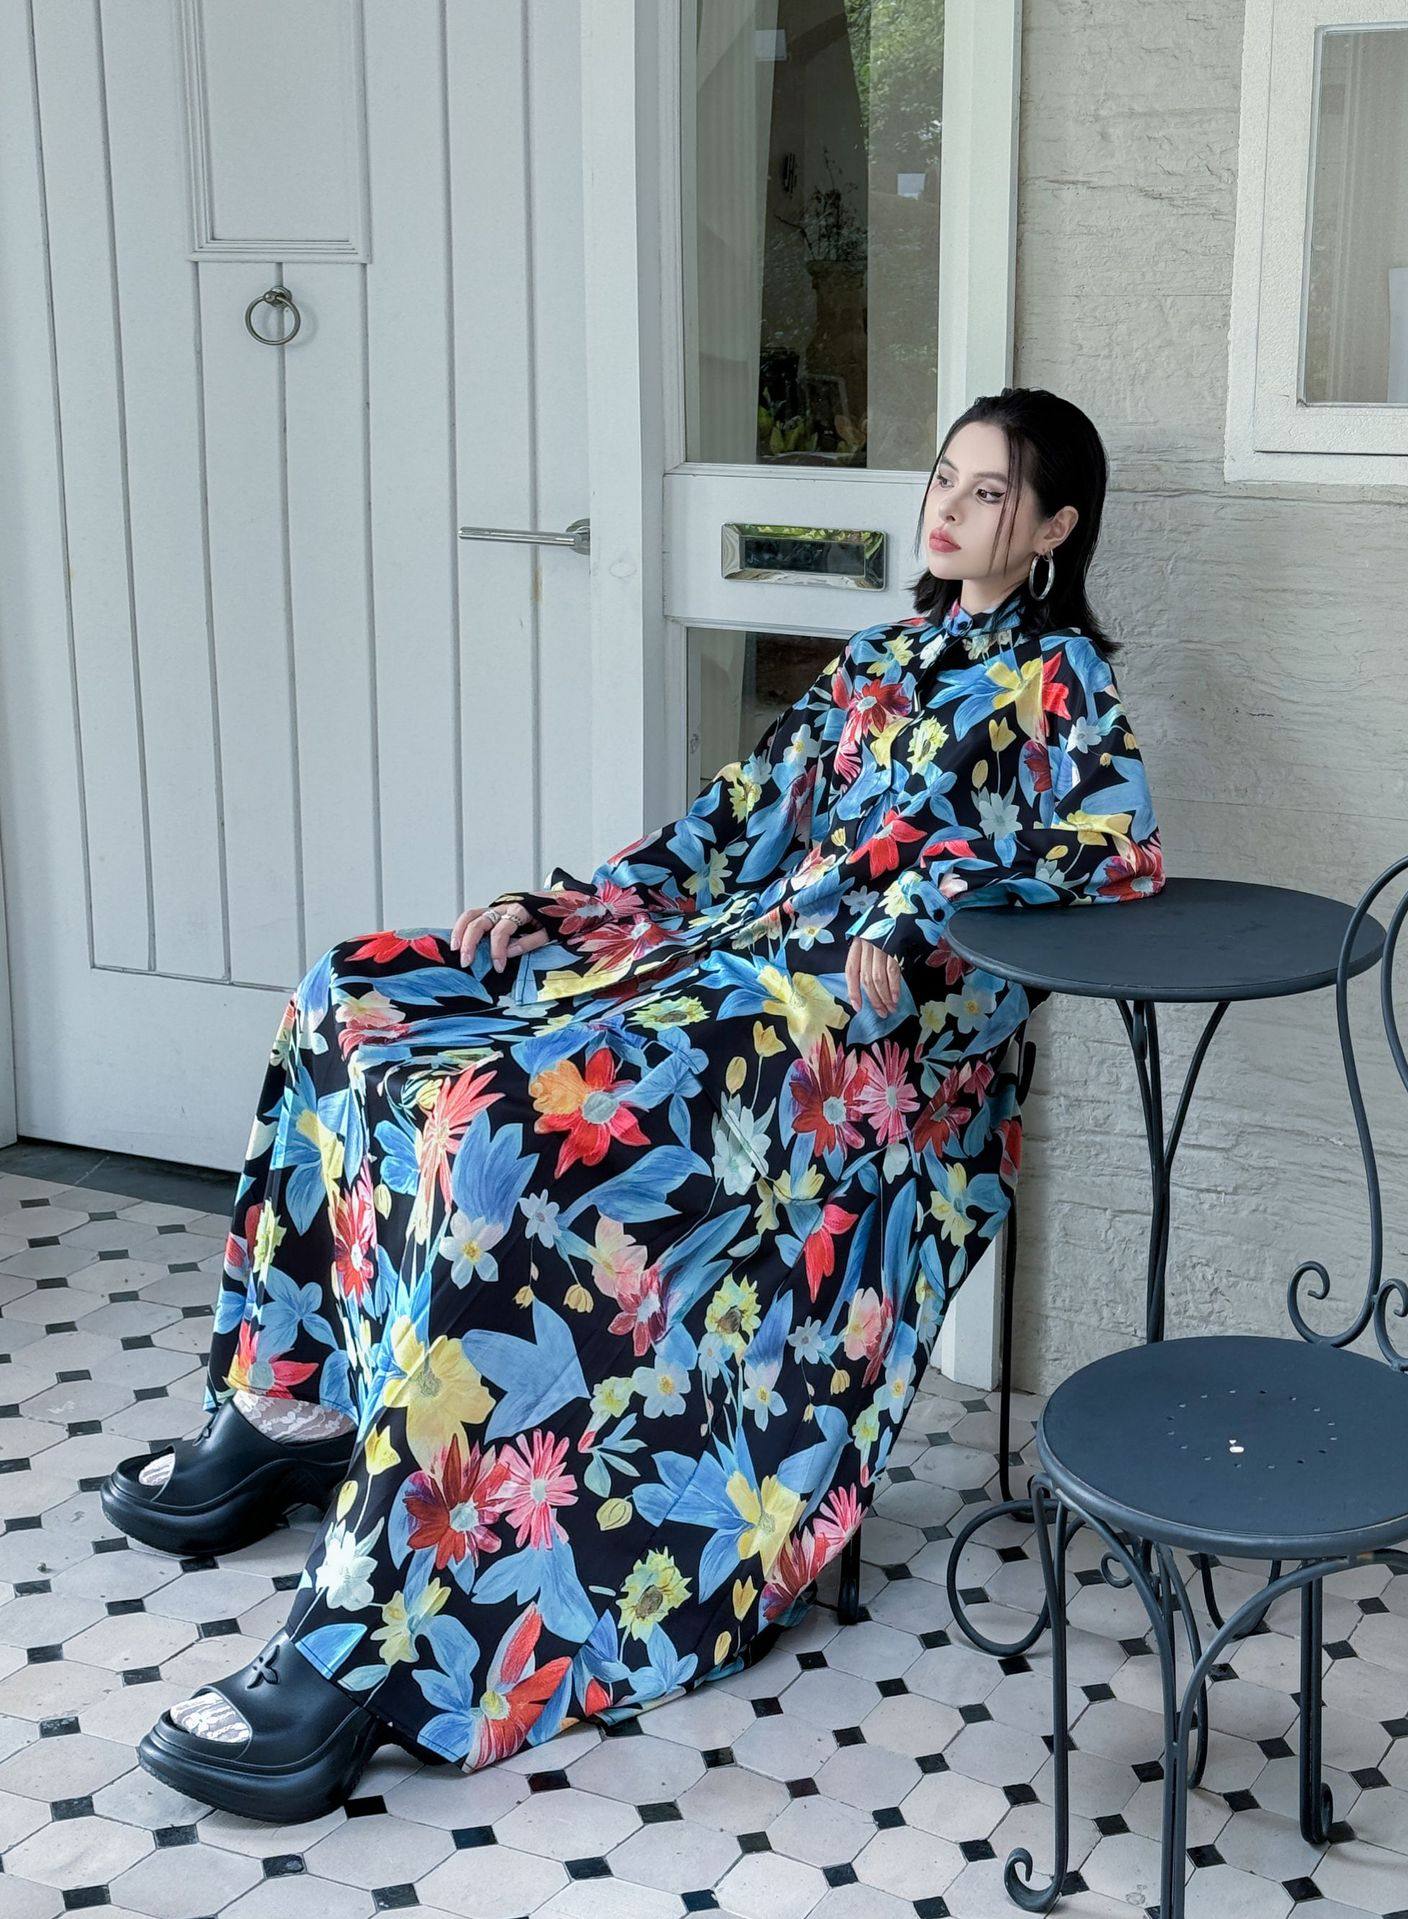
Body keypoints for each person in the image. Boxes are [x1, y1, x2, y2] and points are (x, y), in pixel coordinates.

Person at [101, 386, 1166, 1823]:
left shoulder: (1061, 684)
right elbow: (733, 821)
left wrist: (926, 908)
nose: (950, 507)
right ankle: (289, 1412)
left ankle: (365, 1648)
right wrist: (574, 908)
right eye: (945, 476)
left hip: (857, 1052)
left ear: (1052, 528)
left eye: (990, 492)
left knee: (499, 1127)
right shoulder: (880, 658)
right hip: (710, 961)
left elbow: (1112, 853)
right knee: (352, 997)